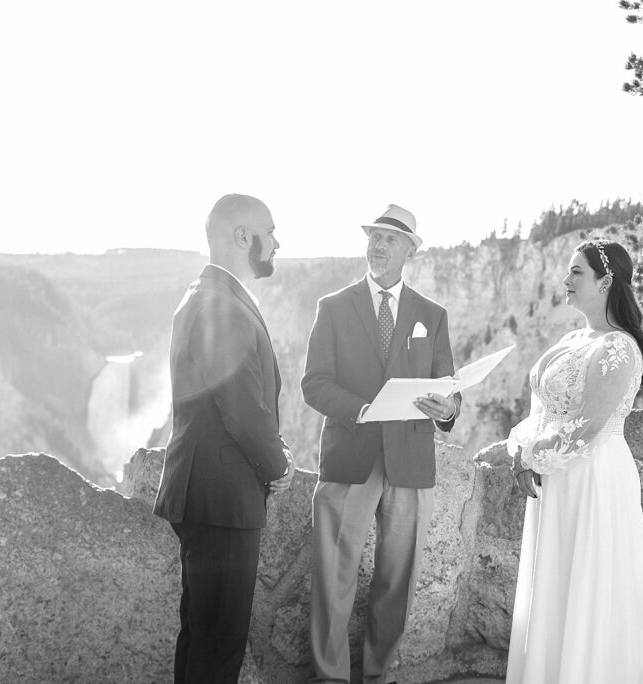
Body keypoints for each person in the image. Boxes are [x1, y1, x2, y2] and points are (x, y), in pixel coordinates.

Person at [302, 204, 461, 684]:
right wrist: (361, 410)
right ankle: (330, 677)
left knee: (398, 580)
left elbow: (448, 387)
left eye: (391, 239)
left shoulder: (431, 316)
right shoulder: (333, 307)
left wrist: (448, 410)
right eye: (374, 235)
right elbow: (314, 384)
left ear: (410, 250)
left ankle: (377, 674)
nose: (379, 244)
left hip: (410, 462)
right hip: (350, 454)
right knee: (333, 578)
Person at [505, 239, 643, 683]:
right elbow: (539, 412)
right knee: (557, 588)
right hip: (553, 480)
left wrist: (530, 458)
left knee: (592, 588)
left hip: (593, 478)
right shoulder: (572, 340)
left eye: (575, 272)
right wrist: (521, 450)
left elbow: (586, 427)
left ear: (605, 282)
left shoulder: (620, 348)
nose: (566, 280)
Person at [152, 194, 295, 684]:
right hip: (221, 499)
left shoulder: (208, 294)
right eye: (270, 232)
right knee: (219, 645)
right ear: (242, 237)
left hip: (206, 493)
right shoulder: (220, 304)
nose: (277, 242)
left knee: (200, 636)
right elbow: (242, 409)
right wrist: (278, 468)